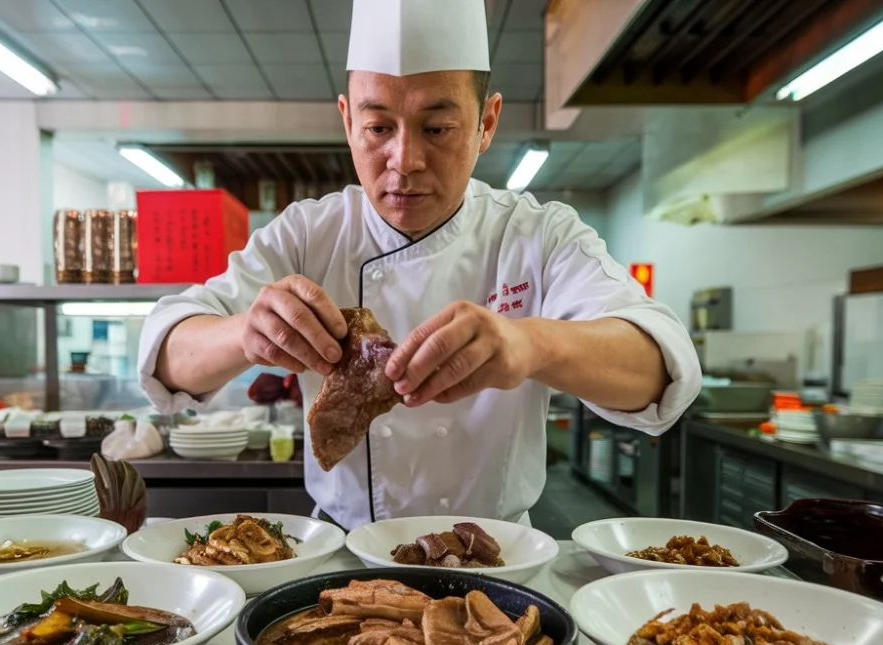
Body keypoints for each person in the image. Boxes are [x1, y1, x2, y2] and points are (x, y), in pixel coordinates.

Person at [139, 0, 703, 531]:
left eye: (437, 128)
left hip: (493, 559)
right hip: (344, 559)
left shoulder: (537, 233)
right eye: (378, 127)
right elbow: (168, 358)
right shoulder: (308, 234)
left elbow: (658, 369)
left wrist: (531, 345)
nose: (403, 160)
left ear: (487, 122)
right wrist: (247, 332)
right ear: (347, 120)